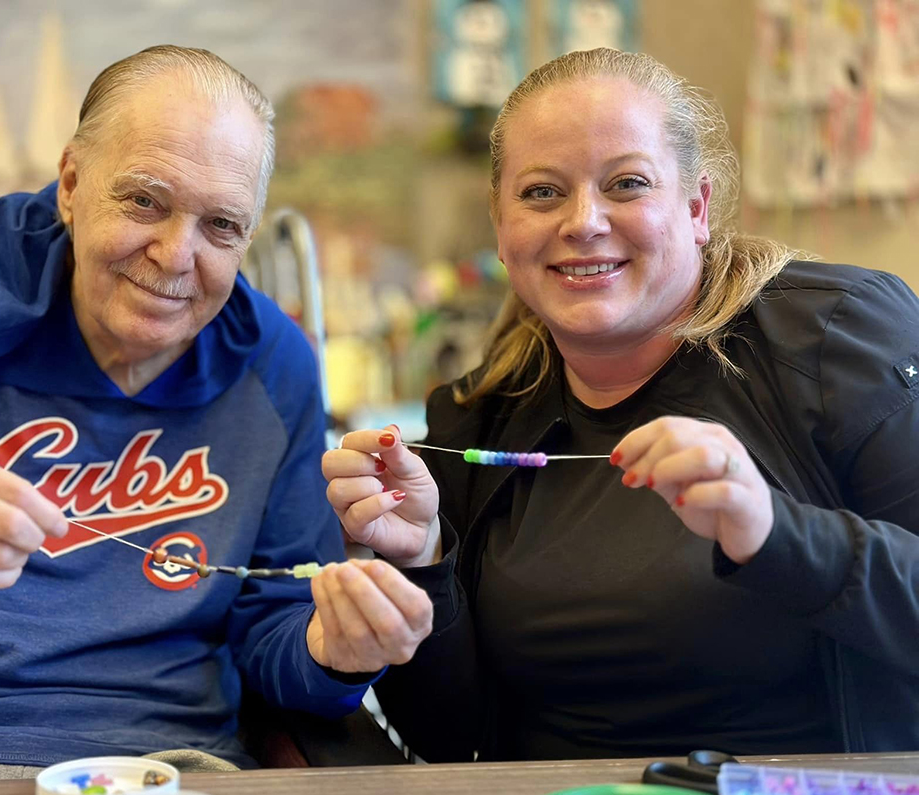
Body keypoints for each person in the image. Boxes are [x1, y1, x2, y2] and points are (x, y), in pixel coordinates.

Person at [0, 45, 431, 779]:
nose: (176, 254)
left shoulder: (273, 361)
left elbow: (276, 626)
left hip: (166, 766)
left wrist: (333, 650)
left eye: (221, 225)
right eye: (145, 201)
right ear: (70, 184)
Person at [323, 47, 919, 763]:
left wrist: (775, 532)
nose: (583, 221)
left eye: (627, 183)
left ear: (696, 207)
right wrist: (422, 559)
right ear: (501, 226)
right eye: (542, 192)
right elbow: (450, 738)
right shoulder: (477, 414)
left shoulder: (837, 340)